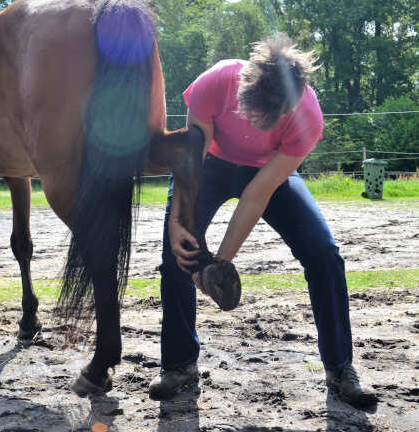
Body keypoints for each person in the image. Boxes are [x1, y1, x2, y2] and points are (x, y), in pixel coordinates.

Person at [149, 33, 377, 408]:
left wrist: (220, 264)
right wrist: (178, 220)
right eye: (250, 112)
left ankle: (340, 367)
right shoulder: (214, 81)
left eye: (267, 119)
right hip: (209, 166)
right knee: (177, 256)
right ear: (244, 85)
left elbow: (256, 195)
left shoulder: (308, 118)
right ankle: (179, 365)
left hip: (268, 173)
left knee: (325, 254)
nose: (255, 123)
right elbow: (192, 157)